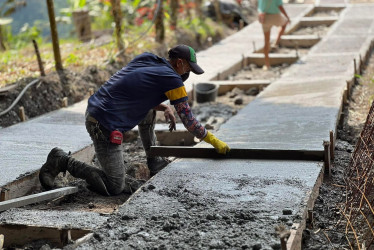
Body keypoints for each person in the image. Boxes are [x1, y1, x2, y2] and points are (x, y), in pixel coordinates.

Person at [39, 44, 230, 196]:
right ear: (179, 63)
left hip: (97, 107)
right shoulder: (173, 80)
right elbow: (189, 122)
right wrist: (213, 140)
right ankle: (62, 160)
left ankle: (154, 161)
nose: (188, 72)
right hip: (103, 124)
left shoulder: (147, 59)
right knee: (115, 186)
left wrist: (163, 106)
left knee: (150, 110)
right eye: (188, 67)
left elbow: (132, 91)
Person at [257, 0, 290, 70]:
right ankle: (276, 42)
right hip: (276, 16)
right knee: (284, 25)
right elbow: (280, 6)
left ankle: (267, 64)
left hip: (265, 17)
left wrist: (260, 14)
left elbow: (259, 7)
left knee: (266, 41)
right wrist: (287, 17)